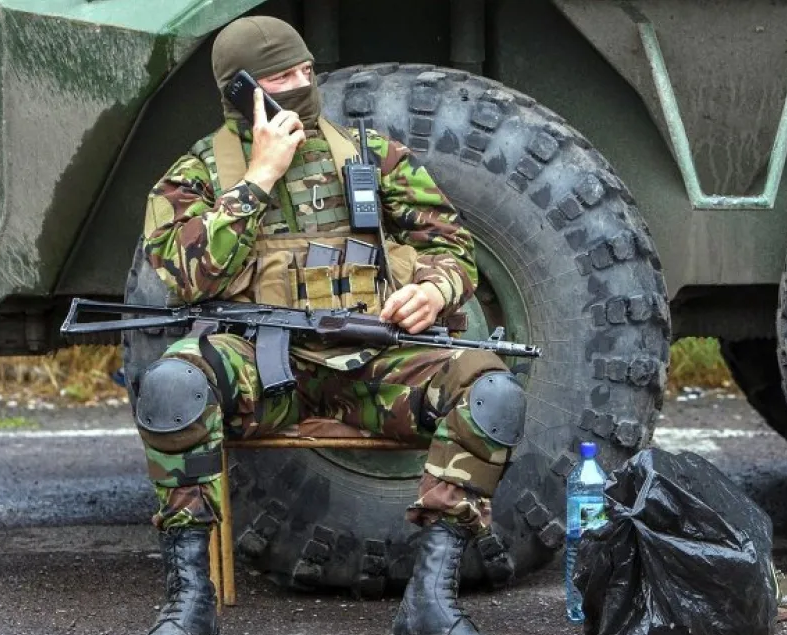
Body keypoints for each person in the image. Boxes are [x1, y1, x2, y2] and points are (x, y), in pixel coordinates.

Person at [134, 15, 524, 635]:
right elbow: (189, 279)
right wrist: (258, 177)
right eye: (278, 77)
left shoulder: (369, 156)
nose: (298, 85)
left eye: (304, 71)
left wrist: (432, 288)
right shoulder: (196, 174)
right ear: (240, 91)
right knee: (171, 387)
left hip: (367, 367)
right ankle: (189, 603)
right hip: (257, 371)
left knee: (491, 392)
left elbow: (453, 245)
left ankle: (431, 600)